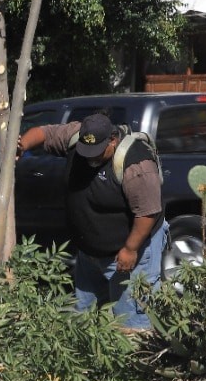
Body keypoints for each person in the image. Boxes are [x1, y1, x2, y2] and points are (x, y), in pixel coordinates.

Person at [15, 113, 166, 330]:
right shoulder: (76, 137)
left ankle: (134, 363)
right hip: (90, 254)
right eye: (85, 153)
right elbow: (45, 133)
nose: (90, 158)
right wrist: (23, 146)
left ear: (112, 140)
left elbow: (148, 212)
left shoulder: (136, 164)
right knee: (84, 321)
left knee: (130, 323)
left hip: (131, 250)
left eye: (96, 153)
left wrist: (130, 249)